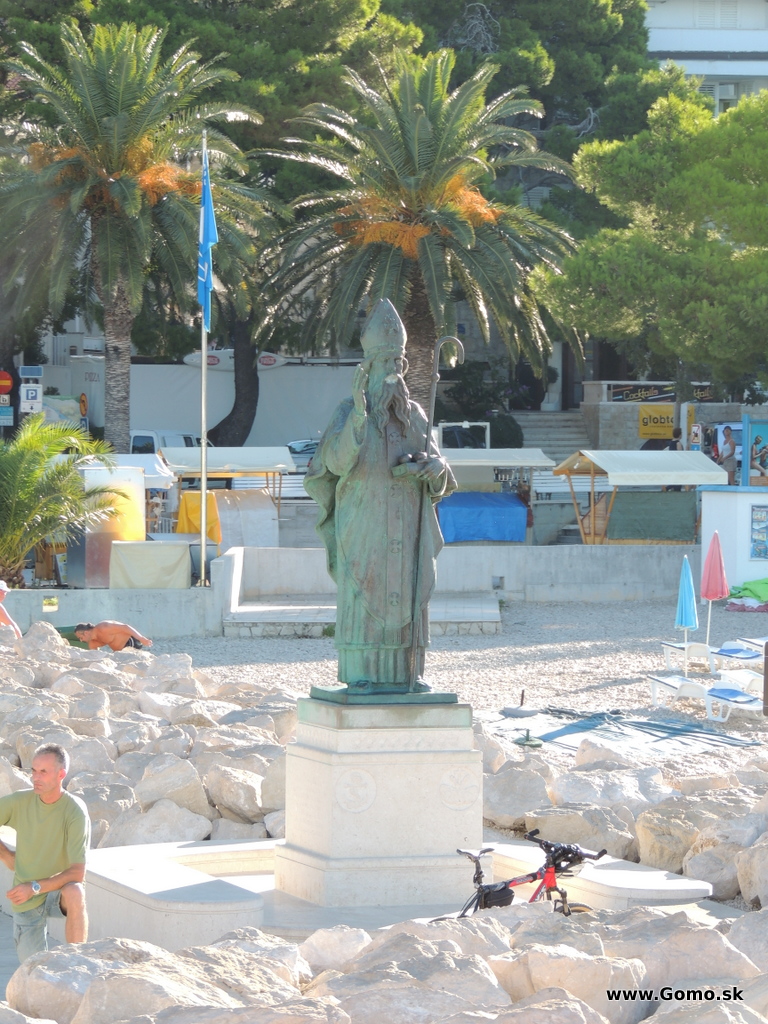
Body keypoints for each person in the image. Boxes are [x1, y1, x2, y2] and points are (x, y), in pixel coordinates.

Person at [305, 299, 455, 694]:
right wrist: (359, 414)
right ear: (367, 368)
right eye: (385, 362)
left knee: (408, 595)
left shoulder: (415, 414)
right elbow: (335, 463)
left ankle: (408, 674)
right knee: (363, 591)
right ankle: (361, 674)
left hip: (408, 524)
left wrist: (434, 468)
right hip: (364, 524)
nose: (393, 370)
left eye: (397, 362)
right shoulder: (347, 411)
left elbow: (439, 464)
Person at [0, 744, 90, 962]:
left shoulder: (75, 811)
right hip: (25, 898)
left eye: (43, 772)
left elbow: (77, 873)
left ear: (61, 775)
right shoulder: (20, 801)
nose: (35, 778)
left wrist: (34, 887)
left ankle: (78, 963)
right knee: (33, 969)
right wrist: (6, 854)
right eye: (33, 770)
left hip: (57, 892)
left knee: (75, 891)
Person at [74, 621, 152, 651]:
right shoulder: (93, 643)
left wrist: (141, 638)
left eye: (81, 637)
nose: (81, 640)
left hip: (130, 641)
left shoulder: (103, 627)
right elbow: (95, 656)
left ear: (86, 633)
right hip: (119, 652)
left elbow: (125, 627)